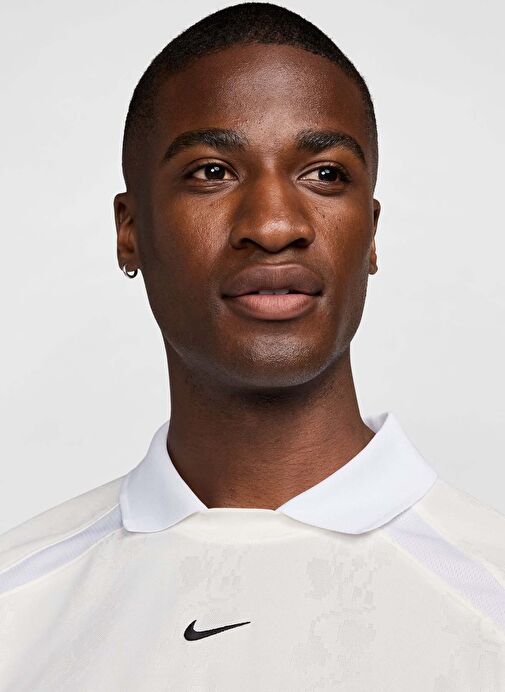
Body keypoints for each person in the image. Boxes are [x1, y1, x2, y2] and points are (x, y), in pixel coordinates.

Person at [1, 3, 504, 690]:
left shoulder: (488, 593)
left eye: (325, 174)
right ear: (130, 231)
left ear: (371, 232)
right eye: (212, 172)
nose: (273, 225)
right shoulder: (17, 608)